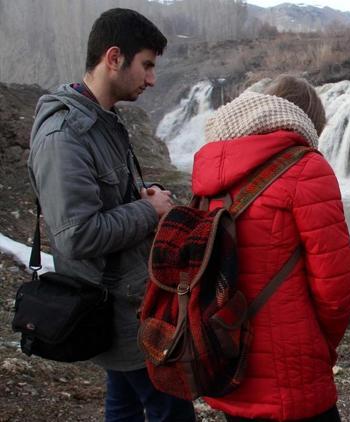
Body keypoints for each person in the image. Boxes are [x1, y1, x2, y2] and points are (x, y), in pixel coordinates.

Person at [27, 8, 195, 421]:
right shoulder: (65, 135)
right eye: (147, 66)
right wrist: (148, 209)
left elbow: (102, 197)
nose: (152, 79)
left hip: (127, 301)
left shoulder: (102, 119)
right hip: (117, 305)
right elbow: (76, 235)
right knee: (172, 412)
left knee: (122, 404)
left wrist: (140, 195)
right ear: (114, 57)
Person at [192, 76, 350, 421]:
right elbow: (335, 287)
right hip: (292, 370)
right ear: (307, 121)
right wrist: (322, 345)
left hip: (225, 352)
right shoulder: (306, 168)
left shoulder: (212, 162)